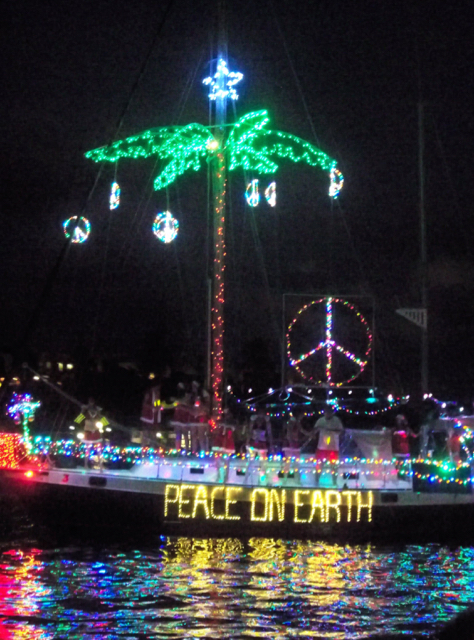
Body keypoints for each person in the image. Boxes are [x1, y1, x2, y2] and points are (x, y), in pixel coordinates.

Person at [313, 404, 344, 485]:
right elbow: (314, 430)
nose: (327, 413)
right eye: (326, 412)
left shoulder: (337, 420)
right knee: (319, 465)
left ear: (332, 412)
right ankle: (316, 482)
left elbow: (341, 431)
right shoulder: (320, 420)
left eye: (329, 412)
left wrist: (331, 430)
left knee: (334, 466)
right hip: (321, 447)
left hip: (333, 447)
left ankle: (334, 482)